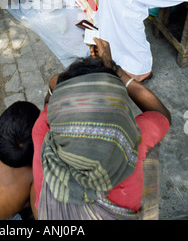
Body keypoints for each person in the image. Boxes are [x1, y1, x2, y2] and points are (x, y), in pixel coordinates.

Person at [30, 37, 171, 220]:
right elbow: (161, 115)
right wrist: (116, 71)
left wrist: (53, 84)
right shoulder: (135, 139)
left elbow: (50, 106)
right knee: (148, 152)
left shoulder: (42, 131)